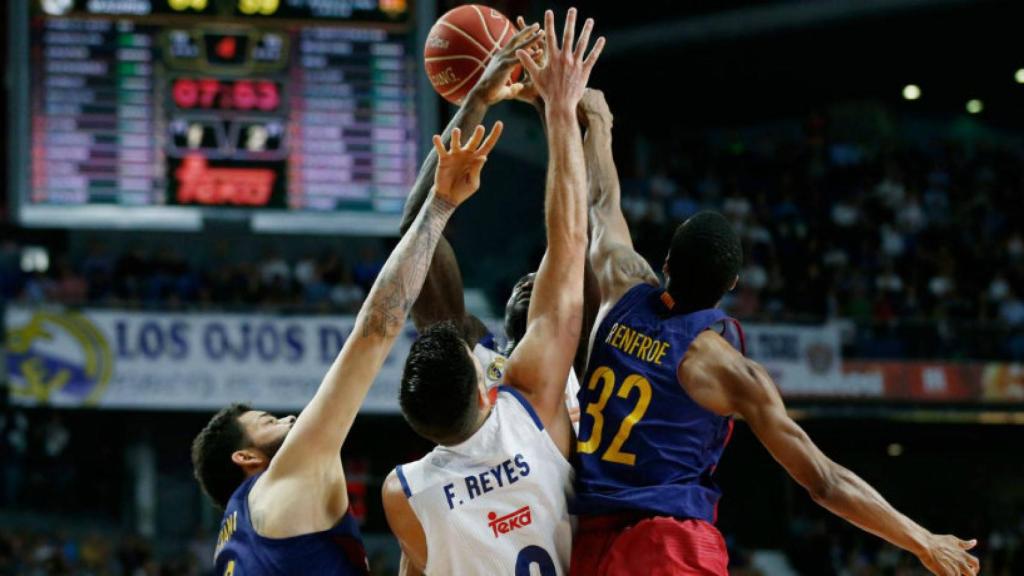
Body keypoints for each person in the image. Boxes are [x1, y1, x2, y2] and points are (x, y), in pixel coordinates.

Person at [569, 89, 980, 576]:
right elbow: (824, 481)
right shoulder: (726, 369)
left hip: (586, 538)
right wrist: (922, 540)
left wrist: (598, 122)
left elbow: (600, 202)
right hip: (666, 543)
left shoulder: (621, 283)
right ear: (732, 289)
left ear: (665, 263)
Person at [190, 119, 505, 575]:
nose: (290, 418)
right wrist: (440, 207)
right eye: (267, 422)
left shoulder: (233, 540)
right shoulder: (286, 475)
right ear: (246, 458)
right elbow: (373, 332)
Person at [381, 9, 603, 574]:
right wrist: (573, 118)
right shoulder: (534, 391)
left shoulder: (409, 490)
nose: (535, 277)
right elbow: (575, 239)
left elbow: (419, 233)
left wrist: (479, 101)